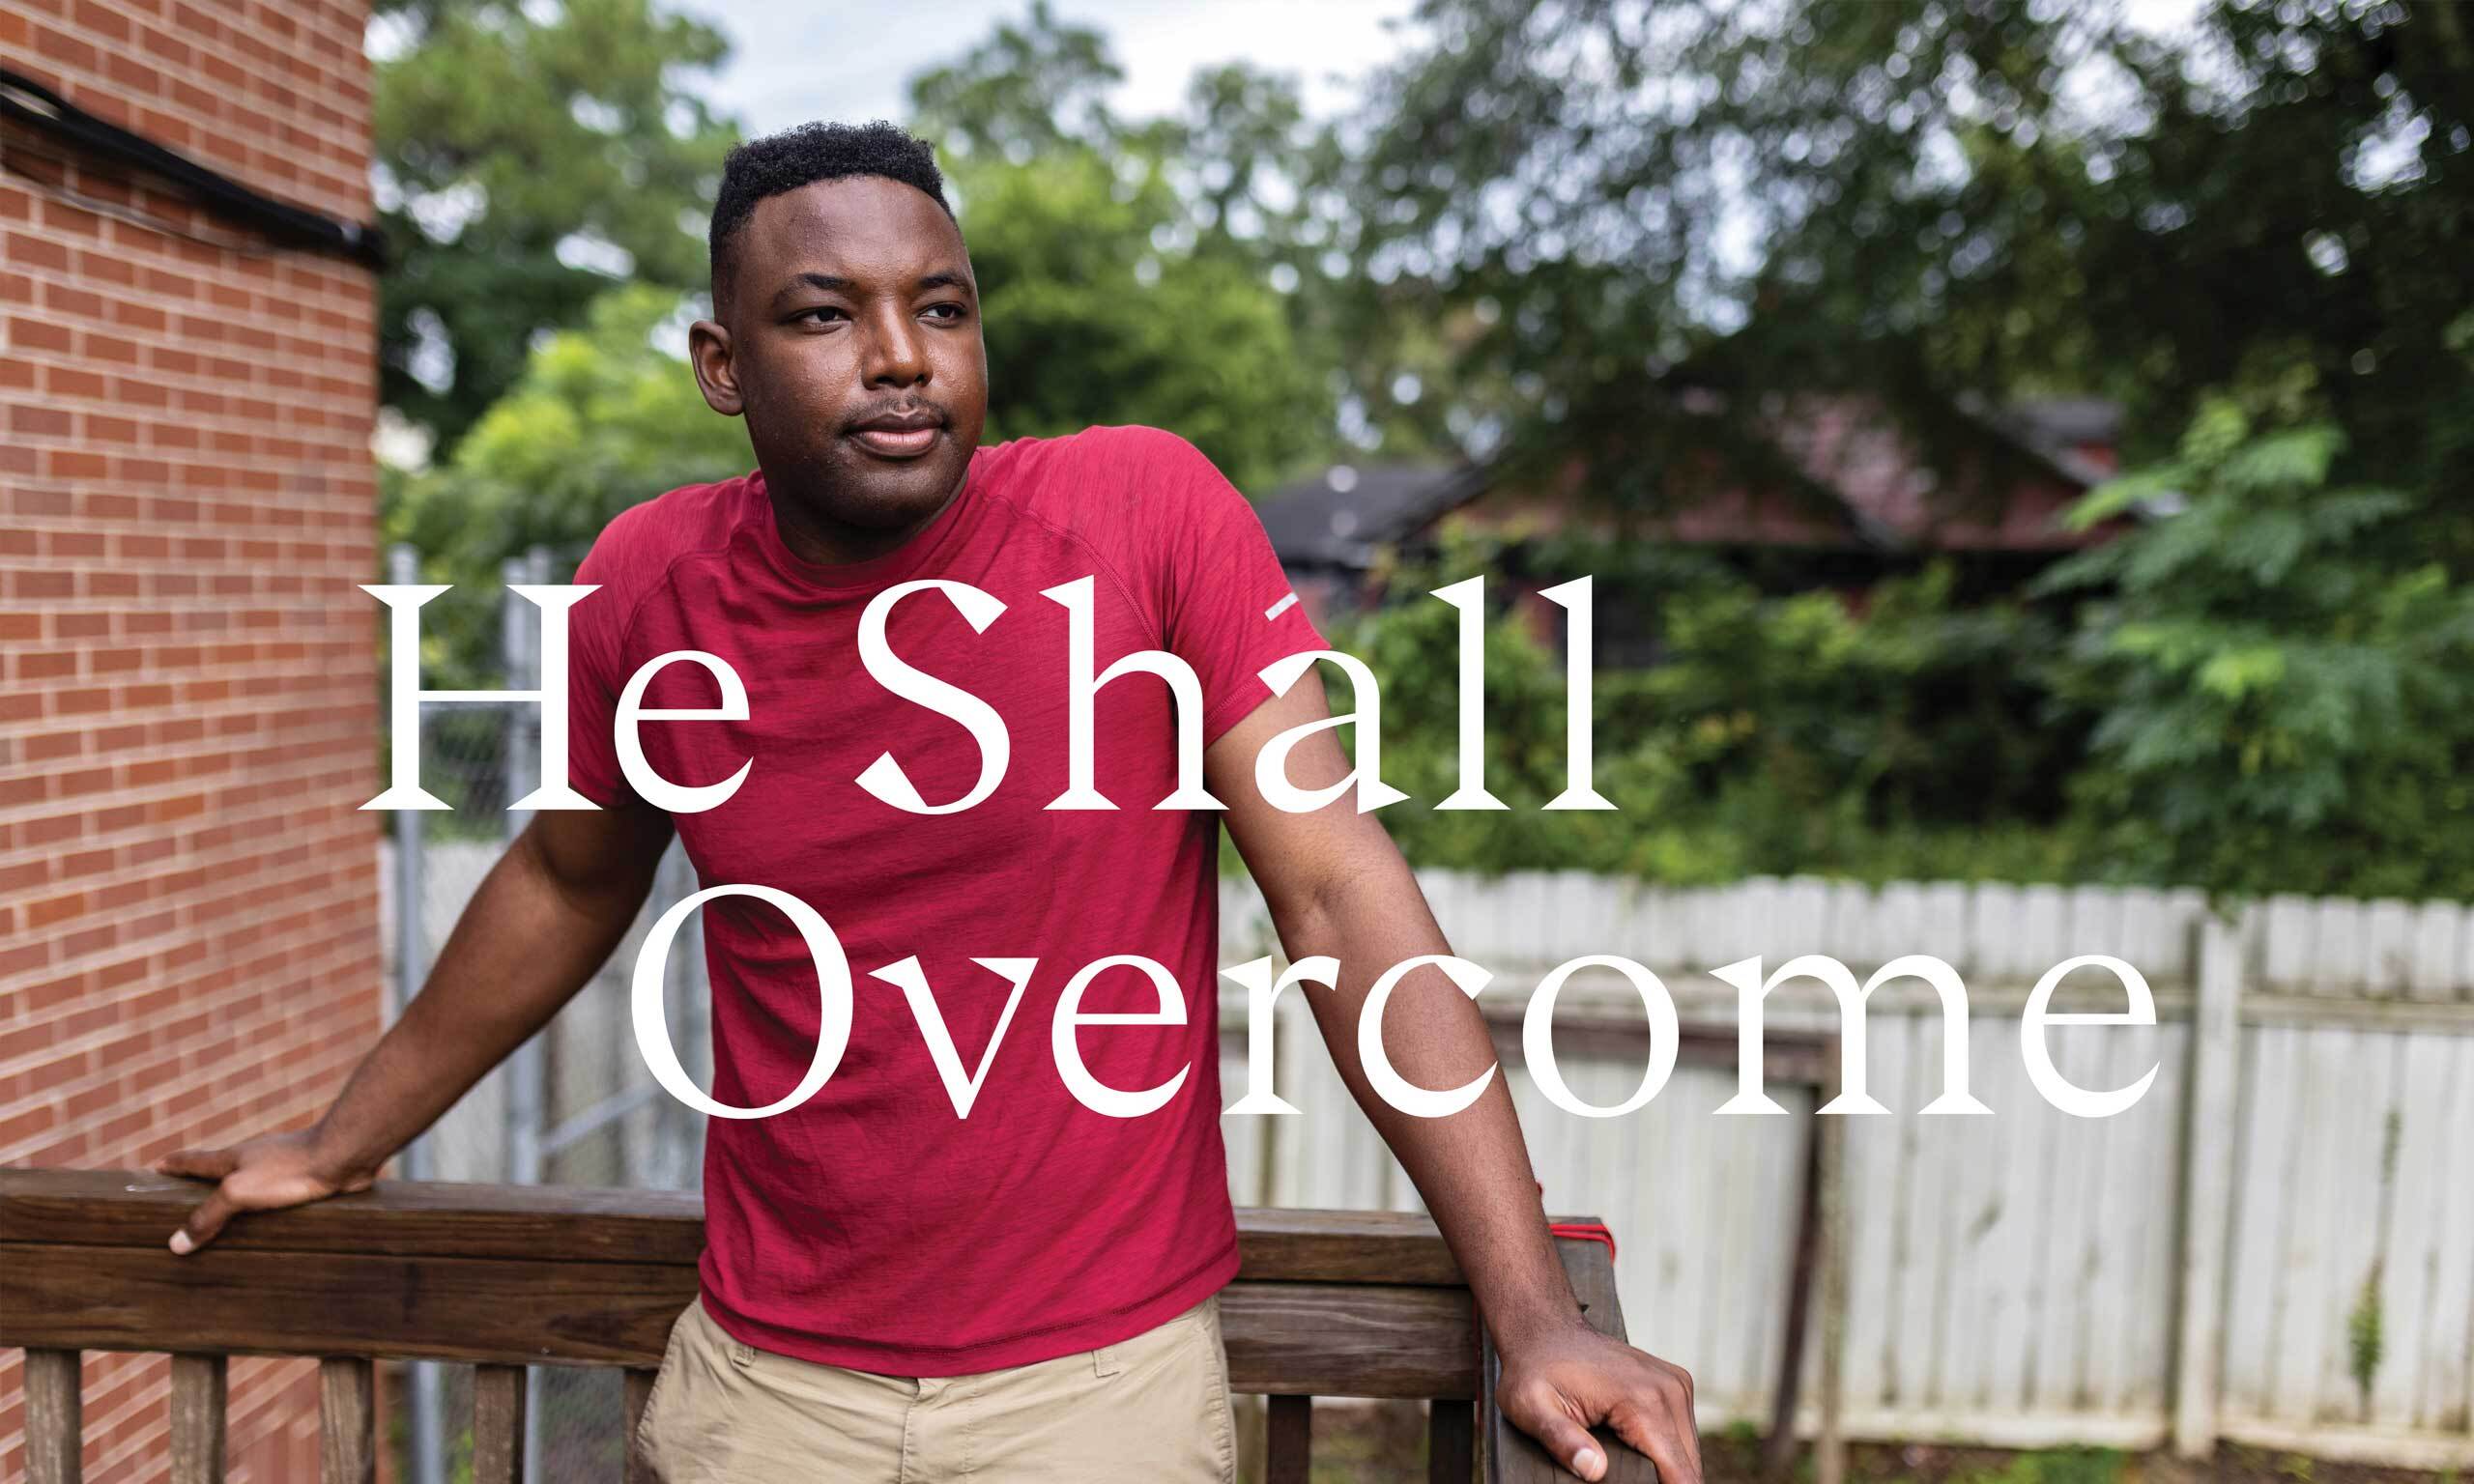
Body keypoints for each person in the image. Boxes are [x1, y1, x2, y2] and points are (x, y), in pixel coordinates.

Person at [153, 120, 1701, 1484]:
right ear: (722, 366)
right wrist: (340, 1142)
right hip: (766, 1398)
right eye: (824, 315)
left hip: (1098, 1402)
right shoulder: (649, 585)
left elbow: (1337, 890)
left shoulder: (1144, 516)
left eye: (940, 309)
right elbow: (565, 881)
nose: (900, 356)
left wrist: (1533, 1317)